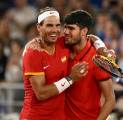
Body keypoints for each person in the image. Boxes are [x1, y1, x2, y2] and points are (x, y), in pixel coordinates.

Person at [20, 7, 88, 120]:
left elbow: (89, 37)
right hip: (35, 117)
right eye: (49, 25)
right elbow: (41, 94)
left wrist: (103, 49)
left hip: (58, 116)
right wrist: (70, 79)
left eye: (57, 25)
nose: (55, 30)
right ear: (39, 27)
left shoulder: (62, 42)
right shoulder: (33, 53)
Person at [63, 10, 116, 120]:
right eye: (65, 27)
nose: (66, 32)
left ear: (84, 31)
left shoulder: (98, 59)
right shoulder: (62, 48)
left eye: (71, 28)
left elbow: (110, 100)